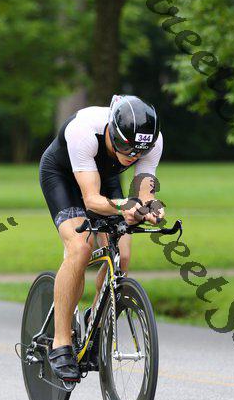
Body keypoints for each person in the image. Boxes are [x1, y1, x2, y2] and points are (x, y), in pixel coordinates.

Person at [39, 94, 165, 382]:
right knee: (80, 248)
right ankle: (61, 342)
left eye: (139, 153)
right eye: (126, 148)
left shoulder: (151, 140)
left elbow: (145, 194)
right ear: (112, 132)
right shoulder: (83, 131)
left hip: (106, 179)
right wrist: (125, 206)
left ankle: (96, 321)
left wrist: (152, 210)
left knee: (123, 256)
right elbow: (92, 200)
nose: (133, 157)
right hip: (63, 177)